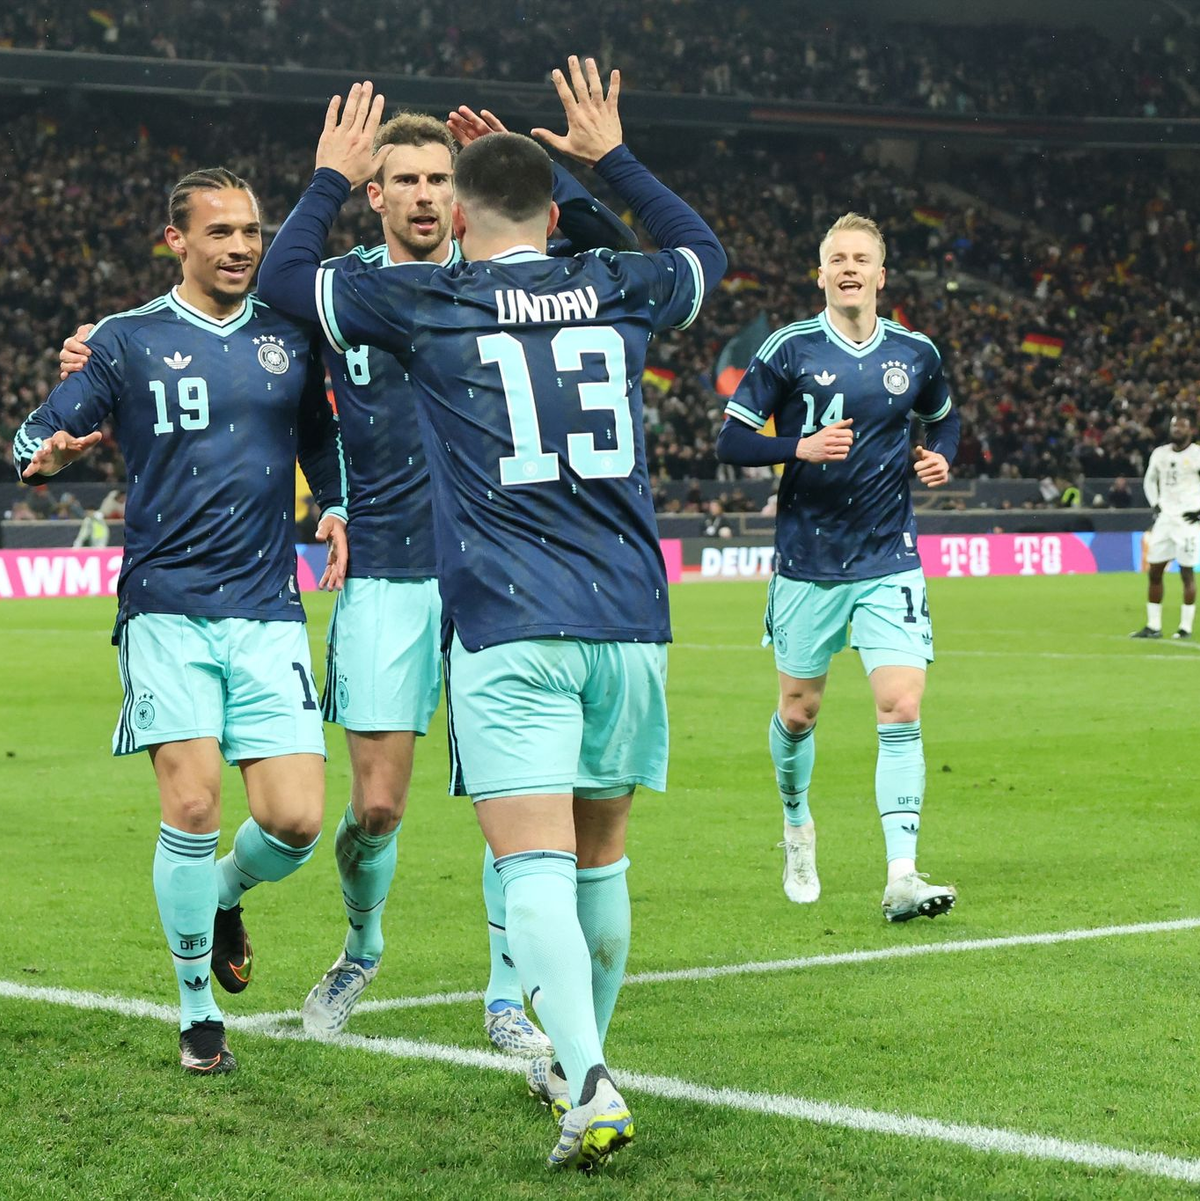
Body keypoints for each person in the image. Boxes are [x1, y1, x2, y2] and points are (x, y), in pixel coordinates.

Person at [55, 110, 635, 1054]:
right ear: (375, 193)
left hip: (502, 574)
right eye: (403, 180)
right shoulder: (332, 292)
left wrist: (553, 174)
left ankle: (503, 998)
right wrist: (95, 351)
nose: (424, 196)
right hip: (389, 571)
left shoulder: (504, 279)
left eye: (440, 180)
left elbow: (617, 258)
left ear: (462, 194)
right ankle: (355, 943)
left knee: (517, 796)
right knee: (373, 808)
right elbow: (222, 329)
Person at [257, 62, 724, 1169]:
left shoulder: (434, 298)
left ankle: (590, 1078)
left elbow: (285, 284)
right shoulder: (615, 284)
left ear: (455, 215)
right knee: (601, 858)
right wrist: (607, 158)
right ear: (555, 216)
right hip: (633, 622)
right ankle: (577, 1059)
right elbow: (703, 253)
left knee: (534, 866)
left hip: (512, 627)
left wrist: (329, 180)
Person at [13, 167, 349, 1076]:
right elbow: (36, 433)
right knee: (195, 803)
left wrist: (337, 506)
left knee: (295, 823)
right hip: (166, 605)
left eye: (251, 231)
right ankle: (199, 1016)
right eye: (221, 232)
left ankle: (225, 896)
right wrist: (42, 454)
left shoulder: (288, 336)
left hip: (267, 607)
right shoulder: (125, 341)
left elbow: (321, 443)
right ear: (178, 241)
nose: (242, 246)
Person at [715, 212, 960, 922]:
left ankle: (903, 872)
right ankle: (797, 823)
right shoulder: (787, 349)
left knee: (902, 704)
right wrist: (799, 446)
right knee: (799, 712)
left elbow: (945, 416)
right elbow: (732, 442)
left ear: (882, 274)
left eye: (861, 258)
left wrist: (942, 453)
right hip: (808, 563)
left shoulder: (916, 352)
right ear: (818, 274)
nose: (849, 267)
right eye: (836, 258)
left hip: (890, 557)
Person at [1131, 413, 1200, 640]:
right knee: (1154, 572)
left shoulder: (1197, 454)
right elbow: (1149, 480)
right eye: (1174, 425)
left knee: (1187, 573)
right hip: (1165, 521)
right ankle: (1153, 626)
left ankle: (1185, 627)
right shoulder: (1160, 454)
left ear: (1191, 430)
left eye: (1181, 425)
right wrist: (1156, 504)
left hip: (1188, 522)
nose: (1177, 429)